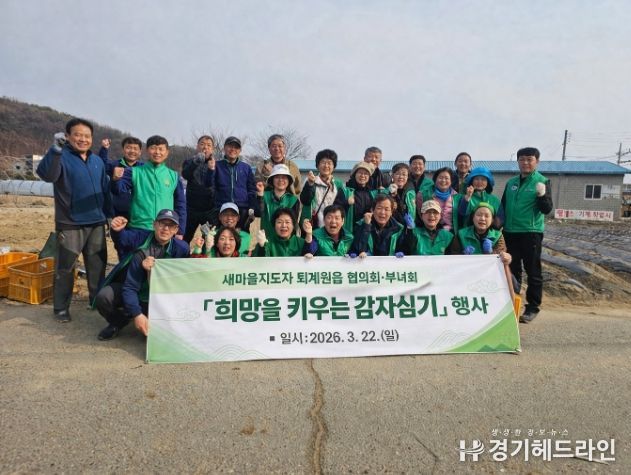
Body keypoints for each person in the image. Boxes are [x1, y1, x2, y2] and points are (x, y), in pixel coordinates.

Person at [36, 118, 113, 322]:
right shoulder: (61, 157)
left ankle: (96, 300)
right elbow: (46, 175)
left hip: (96, 222)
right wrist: (55, 149)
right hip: (70, 223)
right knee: (66, 267)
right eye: (77, 135)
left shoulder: (97, 161)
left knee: (97, 265)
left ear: (92, 139)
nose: (83, 139)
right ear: (68, 136)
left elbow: (105, 190)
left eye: (87, 136)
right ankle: (61, 308)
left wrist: (109, 215)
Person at [94, 210, 189, 340]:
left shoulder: (182, 249)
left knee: (154, 338)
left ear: (176, 230)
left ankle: (154, 318)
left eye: (171, 225)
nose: (166, 229)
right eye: (162, 223)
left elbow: (187, 279)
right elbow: (130, 287)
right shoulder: (142, 247)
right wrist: (137, 314)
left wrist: (200, 249)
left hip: (161, 298)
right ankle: (119, 321)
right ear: (154, 224)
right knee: (104, 296)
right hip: (136, 290)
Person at [501, 147, 553, 323]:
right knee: (512, 269)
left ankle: (532, 307)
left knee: (533, 271)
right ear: (518, 162)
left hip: (531, 233)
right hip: (510, 232)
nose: (525, 163)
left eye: (529, 159)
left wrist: (542, 195)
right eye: (522, 159)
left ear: (537, 161)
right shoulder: (511, 183)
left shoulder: (542, 181)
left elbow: (547, 209)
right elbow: (503, 206)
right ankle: (513, 303)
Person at [113, 135, 187, 238]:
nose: (157, 152)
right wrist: (116, 179)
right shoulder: (134, 172)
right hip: (139, 228)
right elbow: (118, 190)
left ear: (167, 153)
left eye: (161, 149)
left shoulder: (174, 176)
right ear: (147, 151)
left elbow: (180, 205)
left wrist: (180, 231)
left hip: (165, 230)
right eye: (153, 148)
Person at [210, 136, 257, 229]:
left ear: (240, 150)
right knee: (219, 235)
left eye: (236, 147)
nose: (233, 149)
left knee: (241, 236)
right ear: (224, 148)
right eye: (230, 146)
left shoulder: (246, 168)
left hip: (242, 209)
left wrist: (251, 207)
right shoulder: (216, 165)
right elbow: (211, 187)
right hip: (221, 208)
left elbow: (251, 189)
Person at [300, 149, 348, 229]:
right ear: (318, 165)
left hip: (332, 227)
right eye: (323, 162)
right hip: (313, 226)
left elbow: (341, 207)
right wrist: (310, 185)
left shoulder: (338, 184)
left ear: (334, 166)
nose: (326, 166)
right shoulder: (311, 180)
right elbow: (305, 200)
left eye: (329, 163)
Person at [181, 135, 217, 242]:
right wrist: (195, 162)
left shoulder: (216, 164)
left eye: (209, 145)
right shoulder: (189, 161)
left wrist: (211, 169)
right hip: (191, 209)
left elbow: (212, 184)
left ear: (212, 149)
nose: (205, 147)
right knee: (185, 238)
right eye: (202, 144)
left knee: (208, 239)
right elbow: (185, 175)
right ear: (197, 146)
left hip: (209, 211)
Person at [256, 164, 300, 236]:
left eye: (284, 177)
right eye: (277, 177)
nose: (280, 180)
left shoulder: (293, 200)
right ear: (272, 180)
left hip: (285, 240)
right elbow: (258, 213)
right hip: (266, 239)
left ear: (289, 181)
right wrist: (260, 195)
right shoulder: (264, 196)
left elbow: (293, 224)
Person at [416, 167, 458, 232]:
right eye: (440, 178)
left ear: (451, 181)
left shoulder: (456, 197)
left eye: (446, 178)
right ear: (435, 179)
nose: (443, 180)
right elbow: (419, 214)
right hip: (429, 231)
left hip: (450, 232)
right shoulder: (423, 194)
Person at [344, 161, 375, 234]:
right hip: (349, 231)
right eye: (360, 173)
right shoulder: (346, 191)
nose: (363, 175)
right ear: (354, 174)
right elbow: (337, 208)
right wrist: (346, 203)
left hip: (367, 230)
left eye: (366, 173)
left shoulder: (372, 193)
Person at [388, 163, 416, 227]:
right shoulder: (386, 191)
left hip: (407, 226)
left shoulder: (411, 192)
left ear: (407, 177)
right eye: (398, 174)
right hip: (391, 227)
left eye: (404, 174)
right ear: (392, 175)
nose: (401, 177)